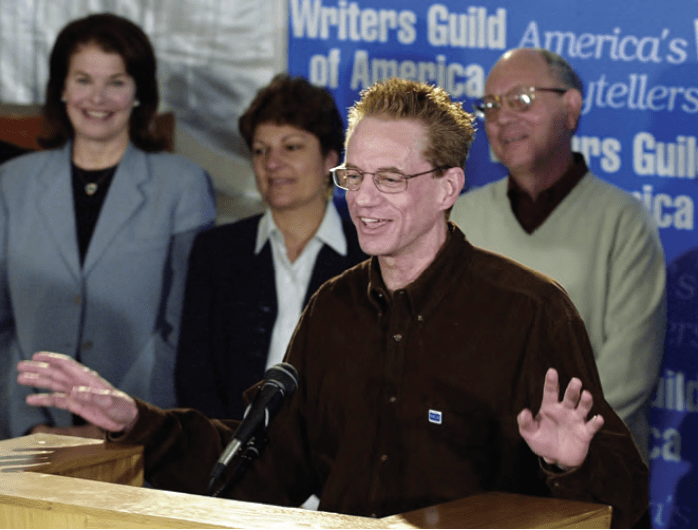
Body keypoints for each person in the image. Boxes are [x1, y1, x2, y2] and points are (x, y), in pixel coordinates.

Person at [17, 78, 648, 528]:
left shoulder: (529, 311)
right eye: (354, 177)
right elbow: (267, 466)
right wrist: (135, 420)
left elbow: (626, 495)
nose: (364, 200)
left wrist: (572, 464)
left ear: (449, 187)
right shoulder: (334, 308)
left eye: (390, 179)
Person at [2, 13, 216, 439]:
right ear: (61, 88)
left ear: (139, 92)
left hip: (139, 431)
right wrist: (26, 423)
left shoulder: (182, 185)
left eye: (116, 82)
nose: (97, 97)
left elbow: (184, 330)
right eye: (82, 79)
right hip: (27, 432)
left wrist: (137, 424)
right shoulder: (12, 182)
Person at [450, 48, 666, 463]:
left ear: (571, 108)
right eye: (491, 105)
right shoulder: (462, 217)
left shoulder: (624, 222)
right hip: (477, 479)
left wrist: (548, 445)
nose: (502, 118)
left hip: (588, 480)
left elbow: (628, 375)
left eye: (521, 100)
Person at [175, 74, 366, 420]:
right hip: (230, 454)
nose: (272, 163)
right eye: (261, 150)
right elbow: (194, 376)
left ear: (329, 160)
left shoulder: (368, 254)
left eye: (291, 147)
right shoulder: (217, 251)